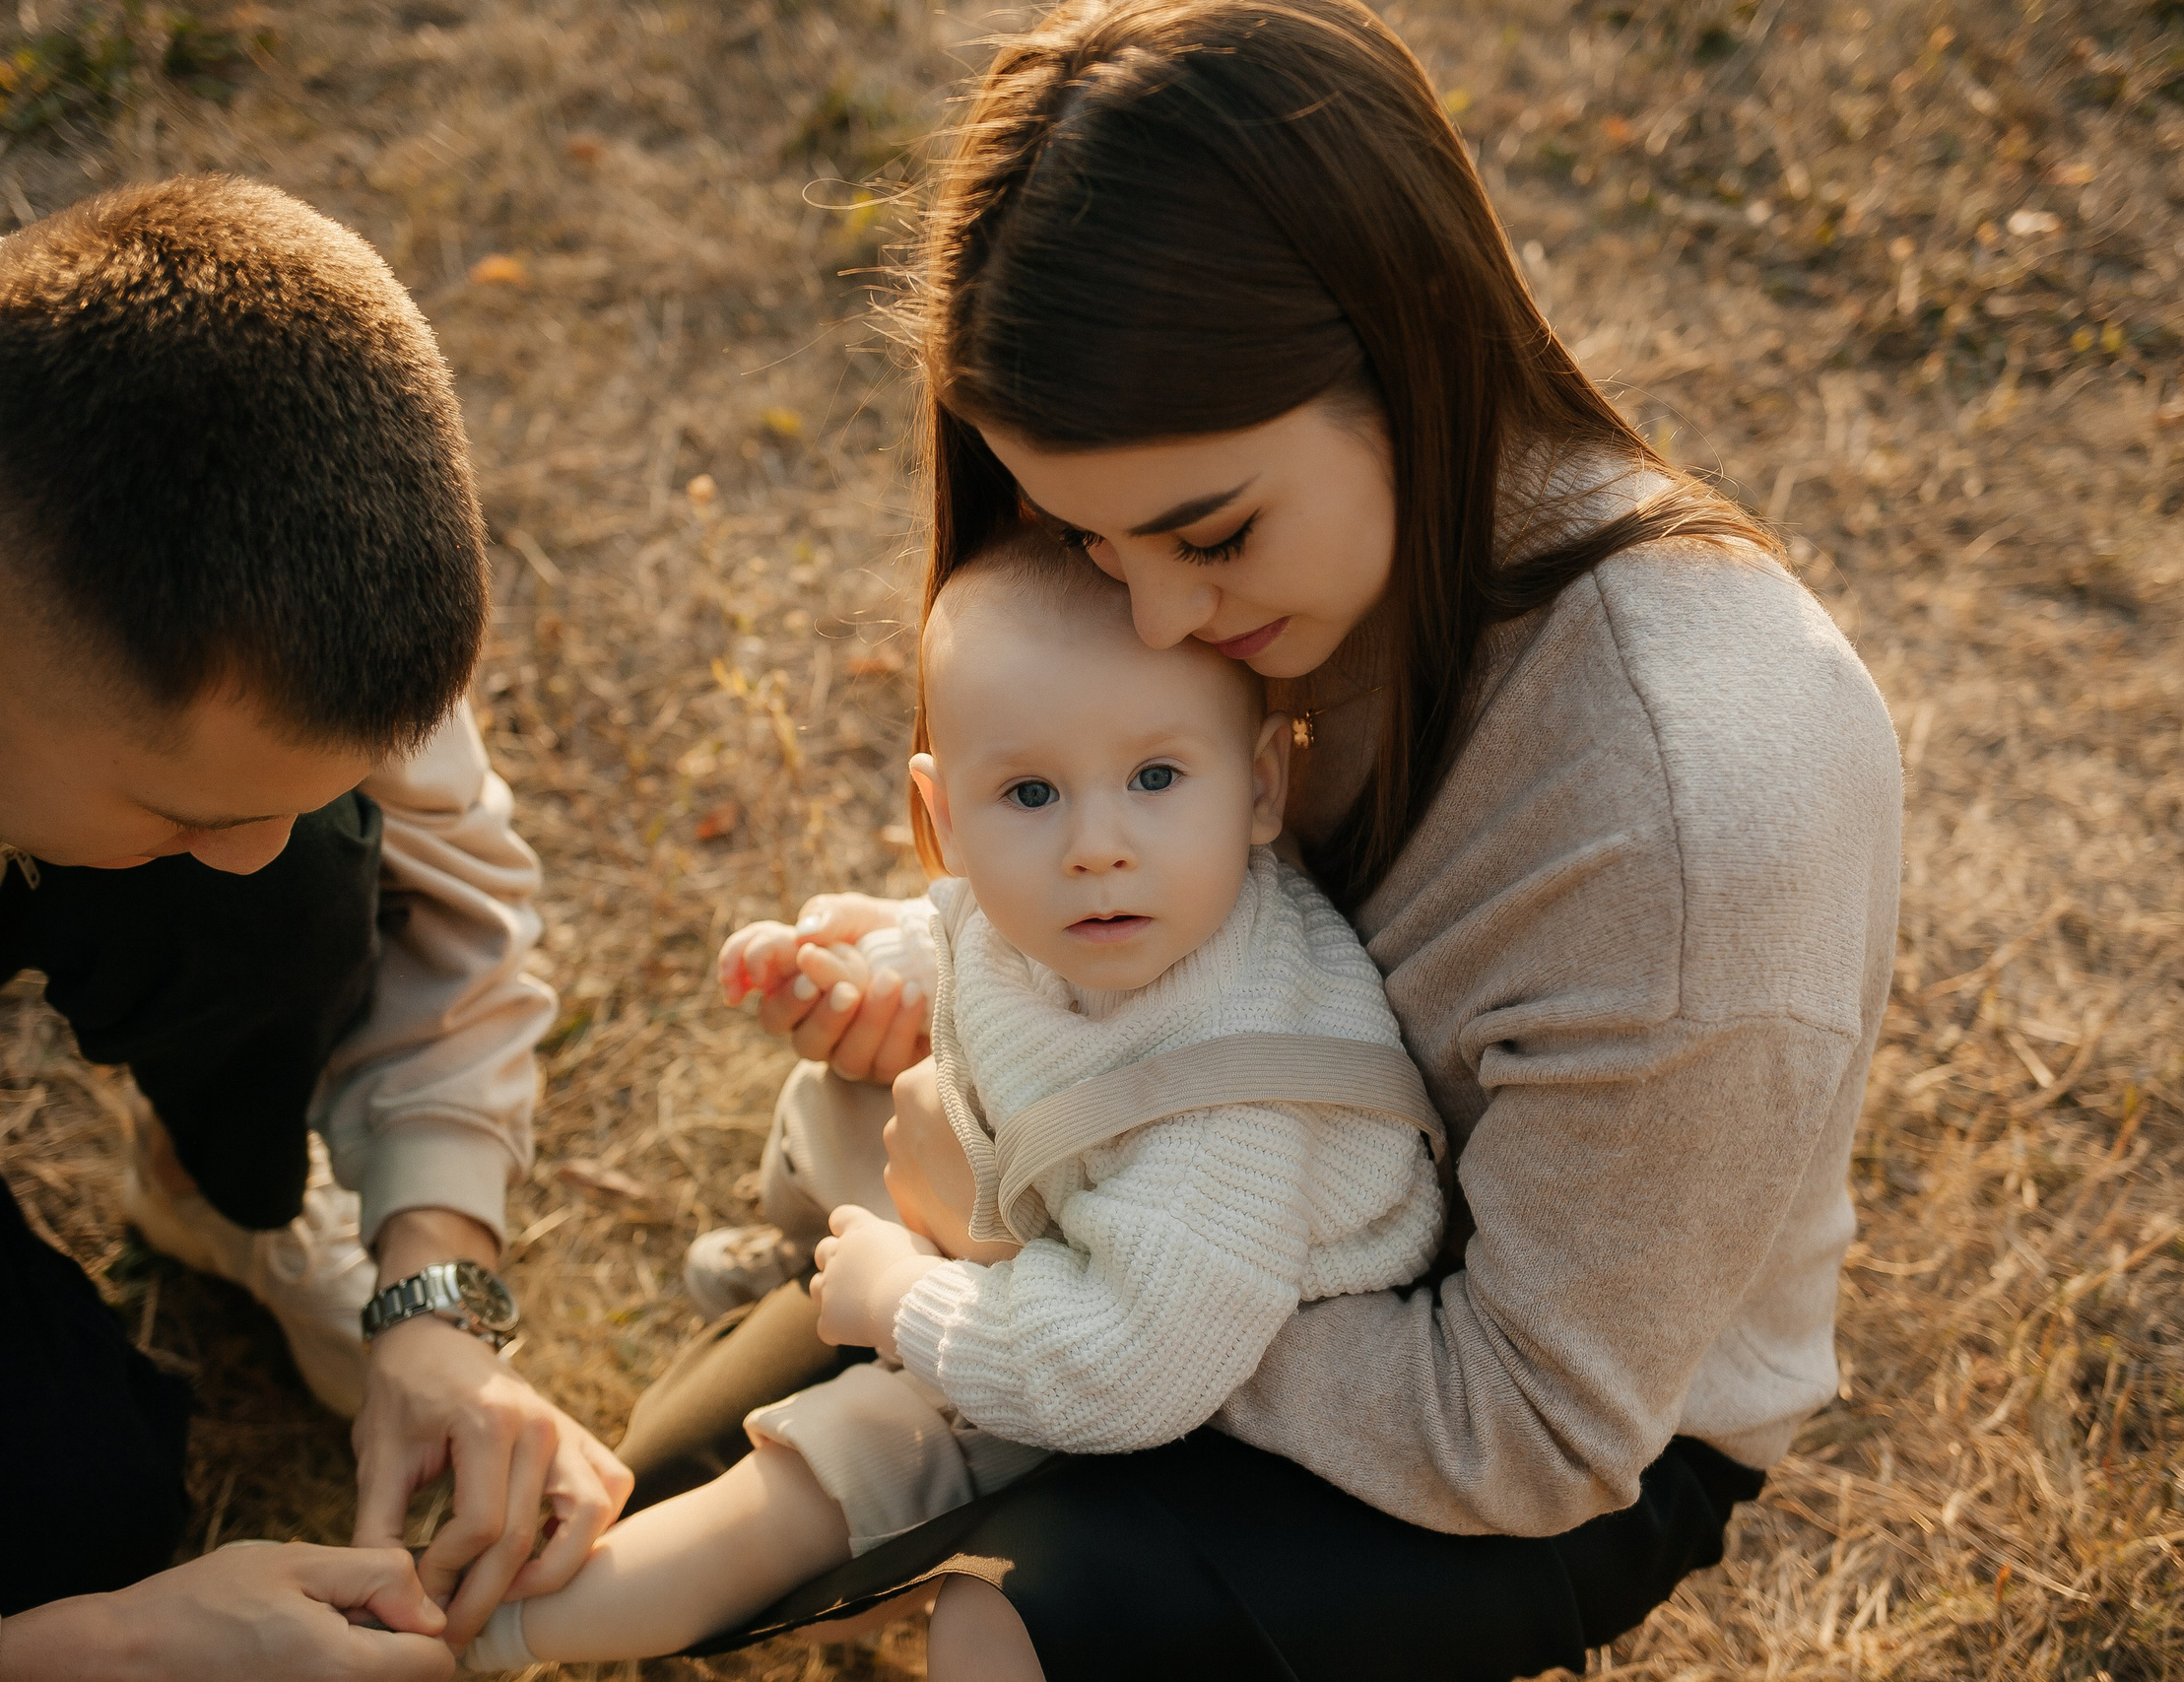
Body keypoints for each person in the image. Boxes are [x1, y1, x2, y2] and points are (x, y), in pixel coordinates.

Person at [626, 1, 1903, 1678]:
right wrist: (943, 976)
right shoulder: (1259, 552)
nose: (1151, 608)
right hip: (1133, 1221)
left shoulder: (1683, 822)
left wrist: (1033, 1275)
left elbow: (1532, 1427)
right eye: (1085, 537)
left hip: (1517, 1428)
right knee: (653, 1507)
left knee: (1015, 1631)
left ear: (1408, 344)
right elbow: (1174, 909)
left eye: (1206, 535)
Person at [0, 181, 629, 1679]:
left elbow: (444, 874)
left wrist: (436, 1286)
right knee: (40, 1515)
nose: (262, 857)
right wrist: (75, 1648)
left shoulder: (185, 478)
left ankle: (226, 1182)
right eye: (188, 806)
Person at [462, 533, 1443, 1669]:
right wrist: (874, 961)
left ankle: (475, 1637)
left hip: (1162, 1374)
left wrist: (904, 1303)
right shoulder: (1129, 909)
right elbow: (977, 943)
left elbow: (1125, 1369)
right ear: (944, 818)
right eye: (1029, 792)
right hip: (1053, 1239)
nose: (1096, 847)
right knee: (827, 1110)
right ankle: (801, 1274)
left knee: (798, 1491)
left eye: (1157, 778)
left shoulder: (1243, 1106)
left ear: (1263, 785)